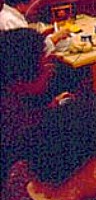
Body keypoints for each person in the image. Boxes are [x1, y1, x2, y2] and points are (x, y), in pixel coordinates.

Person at [0, 28, 56, 183]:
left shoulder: (11, 96)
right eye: (43, 63)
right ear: (21, 76)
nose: (49, 69)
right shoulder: (12, 126)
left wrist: (49, 109)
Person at [0, 0, 70, 50]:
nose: (36, 3)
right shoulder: (11, 20)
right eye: (33, 0)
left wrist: (42, 34)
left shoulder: (8, 14)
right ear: (21, 4)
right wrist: (55, 38)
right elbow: (29, 51)